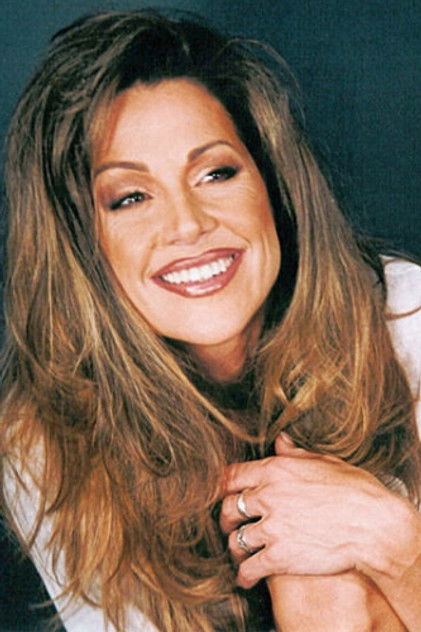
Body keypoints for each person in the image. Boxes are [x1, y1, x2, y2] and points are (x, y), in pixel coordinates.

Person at [1, 9, 420, 632]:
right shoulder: (44, 444)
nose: (188, 224)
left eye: (216, 172)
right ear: (81, 247)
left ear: (272, 183)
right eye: (130, 197)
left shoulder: (406, 319)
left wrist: (393, 543)